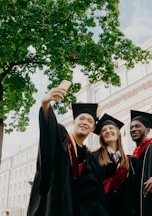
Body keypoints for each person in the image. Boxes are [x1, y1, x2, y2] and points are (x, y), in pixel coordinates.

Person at [27, 84, 107, 216]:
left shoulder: (89, 156)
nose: (85, 122)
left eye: (89, 121)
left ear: (93, 128)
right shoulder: (62, 136)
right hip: (53, 201)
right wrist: (45, 105)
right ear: (74, 121)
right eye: (81, 119)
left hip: (73, 207)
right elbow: (48, 131)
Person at [92, 113, 133, 216]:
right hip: (104, 210)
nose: (108, 131)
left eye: (111, 128)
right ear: (101, 136)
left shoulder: (128, 160)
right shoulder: (94, 157)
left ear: (118, 133)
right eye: (104, 130)